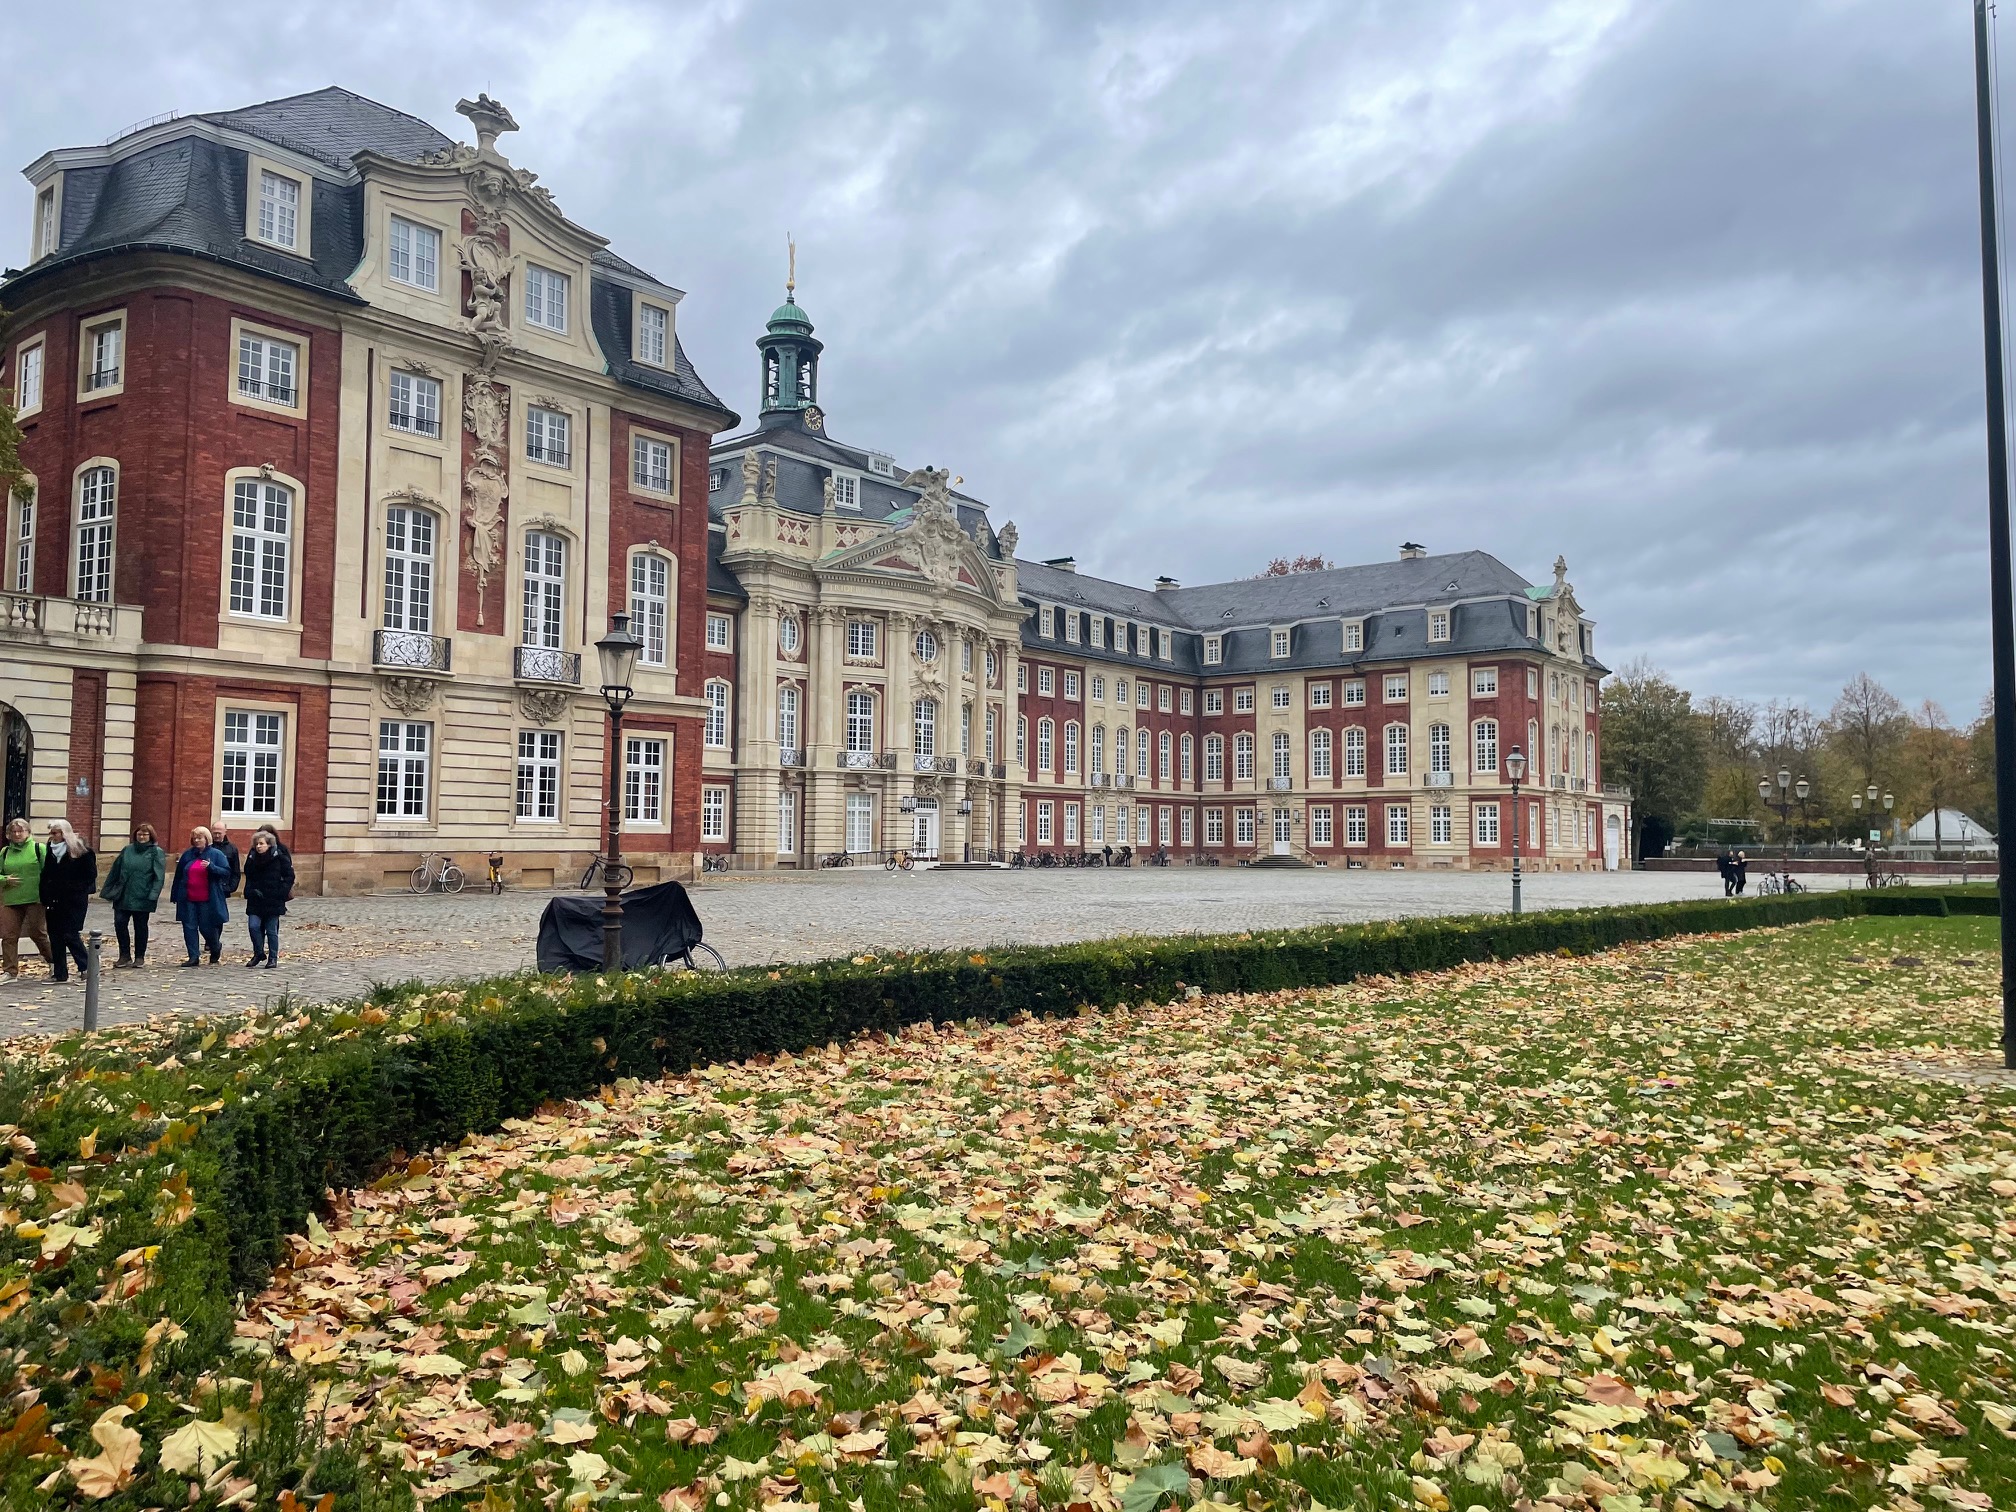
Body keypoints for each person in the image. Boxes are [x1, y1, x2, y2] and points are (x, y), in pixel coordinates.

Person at [99, 822, 167, 968]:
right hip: (123, 895)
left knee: (140, 926)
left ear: (150, 836)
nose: (141, 836)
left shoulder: (156, 852)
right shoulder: (127, 850)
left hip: (143, 895)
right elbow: (115, 871)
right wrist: (108, 891)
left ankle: (139, 956)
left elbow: (159, 877)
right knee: (120, 924)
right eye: (139, 834)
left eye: (145, 834)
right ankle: (124, 955)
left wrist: (153, 894)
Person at [39, 820, 96, 985]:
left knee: (70, 934)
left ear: (64, 833)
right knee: (55, 936)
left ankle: (86, 967)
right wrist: (45, 894)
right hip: (53, 900)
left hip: (73, 900)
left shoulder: (82, 851)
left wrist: (73, 888)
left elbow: (89, 876)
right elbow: (46, 874)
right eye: (51, 833)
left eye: (55, 833)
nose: (53, 836)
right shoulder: (50, 850)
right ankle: (60, 973)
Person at [171, 826, 230, 967]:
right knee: (189, 926)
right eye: (194, 838)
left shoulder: (216, 854)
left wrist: (212, 867)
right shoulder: (187, 855)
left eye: (200, 838)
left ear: (206, 839)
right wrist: (175, 894)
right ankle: (193, 956)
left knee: (206, 927)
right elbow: (179, 876)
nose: (197, 841)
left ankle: (215, 947)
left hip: (208, 898)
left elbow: (226, 872)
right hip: (188, 897)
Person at [0, 817, 51, 978]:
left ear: (28, 832)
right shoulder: (5, 852)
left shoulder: (39, 848)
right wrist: (4, 880)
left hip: (35, 898)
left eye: (20, 831)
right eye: (13, 831)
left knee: (37, 932)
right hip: (10, 899)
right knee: (8, 936)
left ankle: (54, 961)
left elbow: (49, 873)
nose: (17, 834)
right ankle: (10, 971)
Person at [242, 826, 294, 968]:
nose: (258, 846)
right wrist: (250, 891)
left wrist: (281, 892)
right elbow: (248, 875)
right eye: (257, 844)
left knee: (271, 930)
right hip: (256, 899)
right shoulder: (252, 858)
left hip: (273, 899)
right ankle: (258, 952)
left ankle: (273, 958)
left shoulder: (280, 857)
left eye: (261, 844)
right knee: (253, 927)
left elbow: (289, 876)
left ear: (269, 844)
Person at [210, 822, 243, 898]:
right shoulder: (206, 846)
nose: (217, 836)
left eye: (219, 833)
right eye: (215, 833)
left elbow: (235, 871)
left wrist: (231, 888)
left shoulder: (232, 849)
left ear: (225, 832)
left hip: (224, 888)